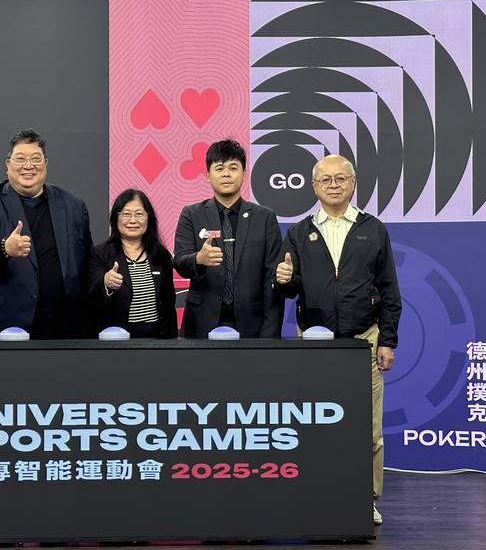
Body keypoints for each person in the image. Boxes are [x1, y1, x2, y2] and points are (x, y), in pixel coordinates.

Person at [274, 154, 401, 526]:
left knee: (369, 429)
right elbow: (290, 289)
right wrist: (284, 280)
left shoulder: (373, 229)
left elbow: (389, 290)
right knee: (312, 425)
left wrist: (388, 340)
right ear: (314, 186)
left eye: (340, 178)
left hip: (365, 339)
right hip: (314, 343)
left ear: (353, 183)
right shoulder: (299, 232)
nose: (333, 185)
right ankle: (314, 494)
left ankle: (366, 499)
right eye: (325, 179)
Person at [0, 129, 92, 339]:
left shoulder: (73, 205)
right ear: (8, 164)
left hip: (63, 329)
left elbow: (86, 261)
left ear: (45, 164)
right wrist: (4, 248)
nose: (28, 166)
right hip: (4, 328)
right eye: (20, 159)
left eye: (36, 159)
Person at [173, 138, 283, 338]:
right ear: (208, 175)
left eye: (233, 168)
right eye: (219, 168)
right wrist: (198, 259)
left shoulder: (265, 217)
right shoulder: (191, 214)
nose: (226, 174)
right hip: (202, 321)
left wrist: (270, 333)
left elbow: (272, 278)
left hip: (252, 323)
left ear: (244, 174)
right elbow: (180, 261)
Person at [87, 189, 177, 338]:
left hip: (156, 341)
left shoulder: (162, 256)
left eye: (139, 214)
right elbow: (89, 299)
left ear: (149, 218)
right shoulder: (100, 254)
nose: (133, 220)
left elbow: (169, 304)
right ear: (116, 218)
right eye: (126, 214)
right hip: (115, 340)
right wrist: (105, 283)